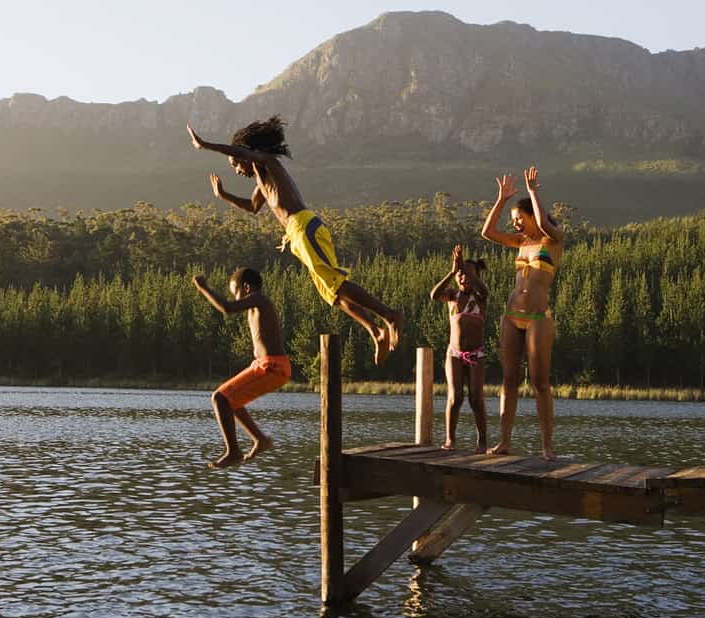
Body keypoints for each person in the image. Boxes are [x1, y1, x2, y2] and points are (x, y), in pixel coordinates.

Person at [187, 116, 404, 365]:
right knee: (331, 294)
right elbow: (252, 207)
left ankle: (389, 315)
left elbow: (240, 151)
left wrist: (206, 145)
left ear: (247, 154)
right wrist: (223, 195)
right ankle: (375, 331)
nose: (237, 170)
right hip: (297, 234)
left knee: (335, 282)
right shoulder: (261, 180)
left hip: (304, 227)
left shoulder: (269, 164)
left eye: (236, 163)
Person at [480, 166, 564, 459]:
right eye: (513, 221)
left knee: (540, 383)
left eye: (519, 219)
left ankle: (547, 447)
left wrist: (532, 192)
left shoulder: (552, 240)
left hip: (539, 319)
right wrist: (502, 200)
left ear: (531, 215)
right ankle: (504, 442)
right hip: (510, 317)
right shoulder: (520, 243)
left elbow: (543, 222)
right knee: (509, 380)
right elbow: (487, 232)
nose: (515, 225)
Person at [192, 268, 291, 469]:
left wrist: (204, 288)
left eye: (235, 292)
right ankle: (260, 440)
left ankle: (234, 451)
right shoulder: (257, 303)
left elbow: (227, 308)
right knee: (230, 401)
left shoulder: (259, 299)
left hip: (272, 366)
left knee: (220, 398)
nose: (235, 298)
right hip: (266, 365)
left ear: (246, 288)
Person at [429, 244, 489, 452]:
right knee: (455, 398)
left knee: (475, 398)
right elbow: (434, 295)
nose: (464, 278)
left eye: (468, 275)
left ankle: (482, 441)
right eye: (461, 275)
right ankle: (450, 439)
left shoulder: (480, 297)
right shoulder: (452, 296)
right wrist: (452, 271)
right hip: (454, 354)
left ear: (476, 276)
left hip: (476, 354)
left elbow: (483, 288)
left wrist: (465, 267)